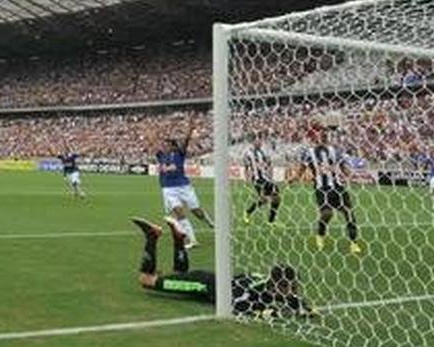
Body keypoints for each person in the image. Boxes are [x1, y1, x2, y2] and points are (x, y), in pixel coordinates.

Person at [131, 218, 312, 317]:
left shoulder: (266, 285)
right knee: (146, 280)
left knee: (179, 275)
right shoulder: (252, 294)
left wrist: (299, 307)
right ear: (276, 286)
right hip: (202, 284)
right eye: (290, 286)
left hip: (210, 280)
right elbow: (237, 307)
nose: (294, 289)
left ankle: (179, 239)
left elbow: (302, 305)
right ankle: (152, 236)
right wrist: (274, 312)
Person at [300, 125, 362, 255]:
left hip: (337, 187)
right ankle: (320, 235)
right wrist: (294, 178)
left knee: (349, 213)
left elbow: (344, 168)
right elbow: (302, 168)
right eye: (320, 134)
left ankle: (354, 243)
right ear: (315, 137)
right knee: (327, 214)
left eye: (325, 135)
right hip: (321, 188)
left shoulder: (336, 151)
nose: (323, 136)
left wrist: (352, 176)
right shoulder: (308, 153)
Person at [155, 126, 212, 248]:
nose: (164, 146)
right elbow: (153, 143)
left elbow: (185, 142)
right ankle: (193, 240)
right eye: (164, 144)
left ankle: (209, 222)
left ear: (173, 146)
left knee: (196, 210)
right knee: (179, 212)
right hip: (169, 189)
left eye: (167, 144)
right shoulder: (160, 155)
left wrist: (190, 131)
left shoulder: (179, 154)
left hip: (184, 186)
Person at [242, 136, 280, 223]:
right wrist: (246, 178)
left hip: (267, 178)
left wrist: (271, 175)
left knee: (277, 198)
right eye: (257, 141)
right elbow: (246, 167)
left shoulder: (264, 152)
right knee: (264, 199)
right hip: (257, 179)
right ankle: (248, 212)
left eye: (260, 141)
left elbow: (269, 164)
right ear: (253, 142)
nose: (259, 143)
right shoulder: (248, 153)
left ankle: (271, 220)